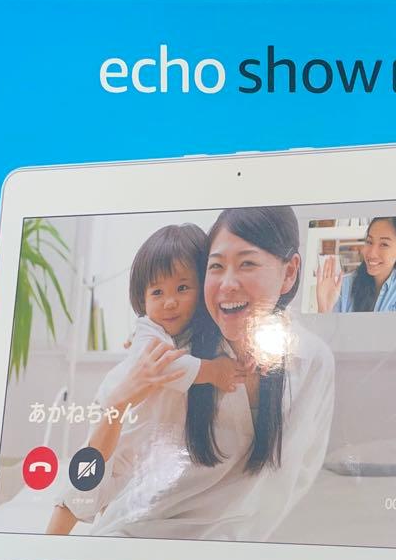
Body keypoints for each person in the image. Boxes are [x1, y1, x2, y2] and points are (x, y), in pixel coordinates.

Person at [90, 205, 335, 541]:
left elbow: (293, 478)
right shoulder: (177, 356)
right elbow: (116, 460)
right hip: (145, 535)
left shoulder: (311, 360)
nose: (227, 284)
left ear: (289, 272)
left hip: (246, 550)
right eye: (216, 266)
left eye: (247, 264)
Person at [46, 223, 248, 534]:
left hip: (147, 442)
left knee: (113, 492)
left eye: (183, 288)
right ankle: (50, 541)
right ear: (142, 298)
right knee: (85, 483)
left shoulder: (202, 334)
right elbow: (164, 368)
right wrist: (212, 371)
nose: (169, 302)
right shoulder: (148, 330)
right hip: (125, 425)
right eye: (157, 292)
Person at [315, 215, 396, 313]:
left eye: (384, 244)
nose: (372, 253)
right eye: (369, 242)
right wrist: (324, 309)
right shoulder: (345, 286)